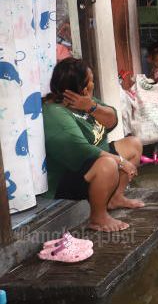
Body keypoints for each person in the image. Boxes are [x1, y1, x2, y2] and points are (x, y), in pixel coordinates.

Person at [43, 58, 144, 232]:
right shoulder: (55, 113)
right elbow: (82, 150)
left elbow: (112, 120)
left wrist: (91, 106)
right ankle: (98, 218)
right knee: (108, 165)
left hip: (96, 158)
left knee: (134, 144)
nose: (93, 83)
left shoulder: (83, 100)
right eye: (90, 80)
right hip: (68, 176)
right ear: (81, 87)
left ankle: (116, 198)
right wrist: (120, 161)